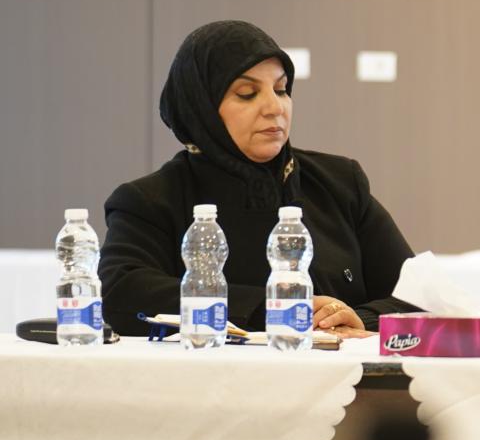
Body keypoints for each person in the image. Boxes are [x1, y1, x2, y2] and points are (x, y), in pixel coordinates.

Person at [100, 19, 417, 336]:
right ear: (202, 108)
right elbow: (122, 294)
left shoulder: (339, 182)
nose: (274, 107)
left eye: (281, 90)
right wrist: (275, 310)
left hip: (346, 368)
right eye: (247, 93)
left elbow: (416, 295)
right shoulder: (151, 200)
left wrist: (357, 319)